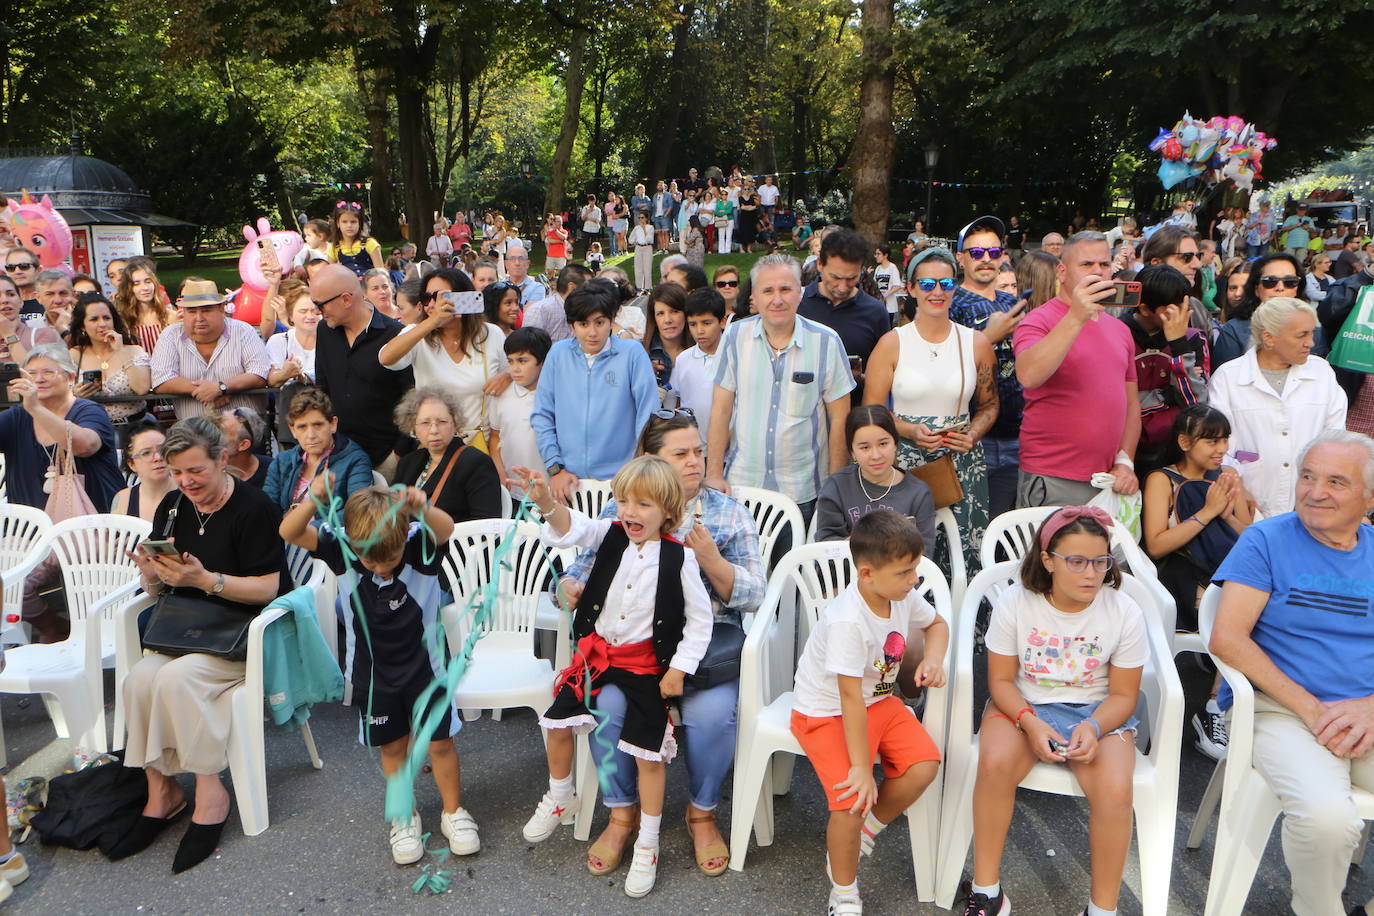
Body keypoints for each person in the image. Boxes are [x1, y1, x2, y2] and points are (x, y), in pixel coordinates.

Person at [552, 410, 766, 878]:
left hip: (697, 653)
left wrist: (711, 559)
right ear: (653, 459)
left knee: (712, 715)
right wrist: (566, 589)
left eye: (698, 452)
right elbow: (580, 568)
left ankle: (702, 812)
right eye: (681, 454)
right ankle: (621, 812)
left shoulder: (729, 512)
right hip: (630, 656)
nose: (694, 462)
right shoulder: (623, 509)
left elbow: (756, 594)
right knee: (604, 704)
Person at [517, 456, 713, 899]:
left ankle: (648, 841)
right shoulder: (608, 535)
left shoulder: (679, 558)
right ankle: (561, 793)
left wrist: (679, 668)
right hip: (598, 658)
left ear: (667, 510)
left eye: (642, 504)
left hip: (645, 667)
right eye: (623, 500)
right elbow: (571, 527)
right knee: (556, 722)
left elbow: (700, 623)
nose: (629, 512)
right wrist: (547, 501)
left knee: (649, 755)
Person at [1208, 430, 1374, 916]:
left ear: (1368, 497)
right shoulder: (1266, 539)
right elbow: (1227, 637)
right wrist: (1315, 710)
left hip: (1364, 712)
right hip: (1281, 709)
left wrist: (1368, 708)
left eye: (1336, 482)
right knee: (1327, 820)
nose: (1315, 491)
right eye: (1308, 477)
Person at [117, 417, 289, 873]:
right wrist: (153, 575)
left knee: (174, 678)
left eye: (196, 470)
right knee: (138, 679)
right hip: (186, 630)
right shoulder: (173, 506)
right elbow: (158, 587)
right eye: (176, 472)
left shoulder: (254, 509)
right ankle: (162, 789)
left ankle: (210, 791)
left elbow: (271, 588)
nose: (186, 481)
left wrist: (206, 581)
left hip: (241, 635)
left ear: (223, 459)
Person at [280, 478, 477, 863]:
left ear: (405, 535)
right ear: (353, 544)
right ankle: (404, 816)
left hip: (428, 671)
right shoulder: (343, 548)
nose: (379, 566)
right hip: (374, 678)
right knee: (393, 746)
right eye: (369, 559)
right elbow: (289, 531)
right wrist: (313, 501)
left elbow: (446, 528)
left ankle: (454, 811)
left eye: (388, 557)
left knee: (440, 743)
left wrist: (419, 507)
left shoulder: (419, 544)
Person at [964, 506, 1145, 916]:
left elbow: (1123, 695)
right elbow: (1001, 681)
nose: (1090, 573)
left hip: (1098, 710)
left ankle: (1102, 909)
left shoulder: (1123, 611)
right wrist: (1029, 722)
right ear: (1048, 561)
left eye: (1100, 561)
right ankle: (986, 890)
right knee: (993, 765)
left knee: (1116, 791)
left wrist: (1094, 726)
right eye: (1076, 561)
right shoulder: (1017, 601)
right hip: (1023, 703)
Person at [790, 509, 947, 916]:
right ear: (866, 574)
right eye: (905, 572)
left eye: (914, 569)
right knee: (850, 800)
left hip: (876, 701)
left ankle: (869, 829)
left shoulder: (901, 595)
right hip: (824, 712)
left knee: (924, 765)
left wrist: (933, 659)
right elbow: (848, 699)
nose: (913, 580)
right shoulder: (847, 621)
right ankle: (844, 891)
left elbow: (938, 625)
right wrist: (862, 768)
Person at [864, 246, 997, 570]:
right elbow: (872, 411)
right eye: (927, 285)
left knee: (963, 555)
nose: (937, 292)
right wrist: (909, 430)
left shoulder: (975, 342)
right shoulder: (892, 343)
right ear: (911, 288)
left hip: (962, 463)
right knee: (901, 556)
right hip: (907, 463)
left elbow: (990, 405)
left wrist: (974, 434)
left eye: (946, 284)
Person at [707, 254, 854, 528]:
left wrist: (834, 489)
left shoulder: (826, 342)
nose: (777, 299)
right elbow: (720, 409)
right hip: (741, 488)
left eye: (785, 289)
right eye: (768, 290)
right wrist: (713, 473)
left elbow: (840, 422)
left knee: (794, 570)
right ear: (755, 297)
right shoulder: (734, 336)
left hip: (804, 494)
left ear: (800, 293)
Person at [1140, 405, 1252, 759]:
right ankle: (1213, 709)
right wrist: (1207, 512)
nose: (1220, 448)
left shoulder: (1227, 477)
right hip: (1180, 573)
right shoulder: (1162, 479)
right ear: (1185, 441)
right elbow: (1156, 544)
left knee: (1259, 614)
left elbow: (1249, 538)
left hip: (1224, 571)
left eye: (1224, 439)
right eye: (1211, 439)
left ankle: (1218, 704)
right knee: (1232, 619)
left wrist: (1230, 507)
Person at [1013, 232, 1140, 508]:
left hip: (1107, 480)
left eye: (1104, 264)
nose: (1097, 271)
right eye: (1086, 264)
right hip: (1052, 476)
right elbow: (1028, 375)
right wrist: (1076, 316)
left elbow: (1131, 404)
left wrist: (1125, 461)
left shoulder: (1119, 329)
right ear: (1062, 272)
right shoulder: (1039, 320)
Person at [1208, 297, 1347, 518]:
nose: (1310, 343)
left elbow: (1335, 438)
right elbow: (1218, 447)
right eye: (1302, 335)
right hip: (1248, 507)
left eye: (1312, 333)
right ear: (1269, 338)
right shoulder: (1229, 377)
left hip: (1312, 506)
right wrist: (1235, 481)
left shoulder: (1322, 373)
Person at [532, 279, 658, 502]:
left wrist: (636, 469)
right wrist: (555, 468)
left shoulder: (632, 354)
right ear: (572, 325)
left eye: (599, 323)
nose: (592, 332)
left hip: (623, 481)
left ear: (611, 321)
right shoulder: (557, 354)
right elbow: (543, 414)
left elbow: (648, 415)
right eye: (583, 324)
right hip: (568, 481)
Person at [950, 216, 1027, 517]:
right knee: (966, 525)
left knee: (1002, 524)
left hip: (1016, 436)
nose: (986, 259)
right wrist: (987, 338)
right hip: (970, 436)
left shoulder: (1012, 304)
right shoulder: (950, 301)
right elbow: (940, 365)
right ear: (960, 257)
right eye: (976, 252)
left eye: (993, 253)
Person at [379, 267, 505, 449]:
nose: (432, 304)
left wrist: (506, 377)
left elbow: (516, 376)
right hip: (434, 444)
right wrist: (433, 322)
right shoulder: (418, 333)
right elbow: (386, 358)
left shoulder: (491, 334)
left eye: (440, 296)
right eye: (426, 298)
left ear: (463, 297)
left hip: (479, 444)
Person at [310, 264, 413, 472]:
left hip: (387, 457)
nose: (317, 312)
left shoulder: (395, 335)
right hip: (341, 455)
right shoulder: (325, 330)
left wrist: (399, 453)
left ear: (346, 299)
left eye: (320, 305)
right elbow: (323, 388)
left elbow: (412, 398)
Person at [1120, 265, 1210, 477]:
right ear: (1144, 309)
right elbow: (1119, 399)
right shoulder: (1119, 334)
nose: (1181, 315)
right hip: (1126, 453)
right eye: (1171, 309)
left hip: (1176, 454)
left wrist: (1179, 344)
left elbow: (1196, 403)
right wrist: (1167, 395)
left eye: (1184, 306)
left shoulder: (1192, 338)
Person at [150, 278, 271, 421]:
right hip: (194, 433)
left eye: (206, 310)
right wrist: (208, 391)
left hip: (245, 430)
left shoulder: (243, 331)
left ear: (221, 309)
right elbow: (161, 379)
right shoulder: (170, 335)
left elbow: (260, 373)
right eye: (192, 311)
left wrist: (222, 388)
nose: (199, 318)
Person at [814, 405, 936, 545]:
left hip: (900, 567)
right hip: (846, 566)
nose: (876, 455)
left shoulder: (918, 493)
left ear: (895, 444)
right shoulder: (837, 486)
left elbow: (923, 555)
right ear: (852, 451)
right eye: (865, 447)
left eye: (883, 444)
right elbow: (825, 544)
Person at [798, 229, 890, 394]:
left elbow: (885, 375)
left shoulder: (875, 312)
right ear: (820, 264)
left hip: (855, 413)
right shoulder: (796, 304)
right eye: (835, 277)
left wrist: (860, 379)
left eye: (851, 278)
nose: (842, 287)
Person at [393, 387, 503, 522]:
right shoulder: (408, 462)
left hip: (453, 542)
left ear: (455, 424)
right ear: (413, 428)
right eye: (425, 423)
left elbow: (487, 525)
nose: (434, 430)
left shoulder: (476, 462)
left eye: (442, 422)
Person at [262, 386, 373, 511]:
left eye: (318, 425)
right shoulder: (282, 461)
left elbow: (357, 511)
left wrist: (309, 529)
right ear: (293, 430)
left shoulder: (356, 460)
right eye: (302, 427)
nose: (311, 435)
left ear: (333, 424)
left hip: (331, 530)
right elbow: (267, 510)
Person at [68, 293, 152, 427]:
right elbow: (62, 399)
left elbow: (142, 388)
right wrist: (76, 396)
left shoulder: (134, 351)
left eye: (106, 318)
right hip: (91, 428)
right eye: (94, 319)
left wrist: (120, 351)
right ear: (82, 325)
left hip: (135, 427)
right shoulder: (75, 355)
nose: (102, 324)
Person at [489, 326, 551, 501]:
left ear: (542, 361)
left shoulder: (556, 394)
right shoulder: (501, 393)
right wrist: (499, 469)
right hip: (513, 487)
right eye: (511, 361)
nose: (514, 369)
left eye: (522, 361)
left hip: (550, 489)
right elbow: (495, 435)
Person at [1213, 253, 1302, 368]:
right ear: (1256, 289)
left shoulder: (1314, 328)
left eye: (1290, 282)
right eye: (1270, 281)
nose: (1280, 288)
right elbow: (1223, 376)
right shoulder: (1234, 330)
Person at [669, 289, 727, 450]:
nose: (699, 331)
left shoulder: (735, 357)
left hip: (730, 450)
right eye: (693, 324)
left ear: (722, 322)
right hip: (695, 449)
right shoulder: (683, 360)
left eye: (706, 323)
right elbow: (678, 401)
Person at [110, 420, 174, 523]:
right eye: (146, 453)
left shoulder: (189, 492)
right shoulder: (123, 499)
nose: (158, 457)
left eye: (163, 449)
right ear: (132, 464)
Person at [113, 256, 175, 354]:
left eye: (148, 281)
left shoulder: (170, 316)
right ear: (129, 288)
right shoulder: (122, 321)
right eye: (136, 284)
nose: (145, 288)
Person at [522, 263, 592, 343]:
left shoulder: (589, 310)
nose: (593, 292)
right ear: (572, 288)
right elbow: (528, 346)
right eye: (588, 287)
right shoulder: (539, 310)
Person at [644, 282, 690, 387]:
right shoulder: (641, 355)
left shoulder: (701, 350)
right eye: (660, 314)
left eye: (674, 311)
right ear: (654, 319)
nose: (668, 320)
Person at [217, 406, 270, 489]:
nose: (212, 434)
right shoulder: (207, 469)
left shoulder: (273, 471)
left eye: (222, 432)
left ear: (243, 445)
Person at [328, 202, 384, 275]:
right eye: (344, 222)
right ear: (338, 223)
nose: (349, 225)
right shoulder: (334, 247)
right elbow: (332, 274)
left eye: (353, 222)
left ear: (359, 223)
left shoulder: (370, 243)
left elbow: (381, 272)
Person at [504, 241, 549, 306]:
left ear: (528, 263)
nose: (517, 263)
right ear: (506, 264)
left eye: (521, 259)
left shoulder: (536, 288)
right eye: (512, 259)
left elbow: (531, 313)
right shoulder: (500, 287)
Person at [34, 269, 75, 338]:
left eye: (63, 293)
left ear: (72, 295)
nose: (58, 301)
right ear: (38, 298)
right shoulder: (30, 328)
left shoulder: (86, 324)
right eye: (50, 294)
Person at [4, 247, 41, 320]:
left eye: (24, 266)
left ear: (38, 270)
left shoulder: (50, 299)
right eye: (11, 268)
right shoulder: (3, 303)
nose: (17, 272)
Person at [872, 245, 903, 323]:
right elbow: (874, 284)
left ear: (885, 255)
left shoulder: (892, 267)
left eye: (878, 254)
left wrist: (885, 295)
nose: (876, 256)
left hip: (889, 306)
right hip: (878, 305)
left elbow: (897, 286)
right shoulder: (878, 268)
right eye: (875, 254)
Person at [629, 213, 655, 291]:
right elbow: (631, 239)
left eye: (642, 218)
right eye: (639, 218)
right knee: (638, 268)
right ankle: (639, 286)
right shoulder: (637, 228)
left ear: (646, 218)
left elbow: (649, 239)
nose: (641, 219)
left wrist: (643, 229)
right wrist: (635, 242)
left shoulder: (650, 227)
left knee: (647, 267)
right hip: (638, 248)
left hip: (647, 247)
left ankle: (648, 287)